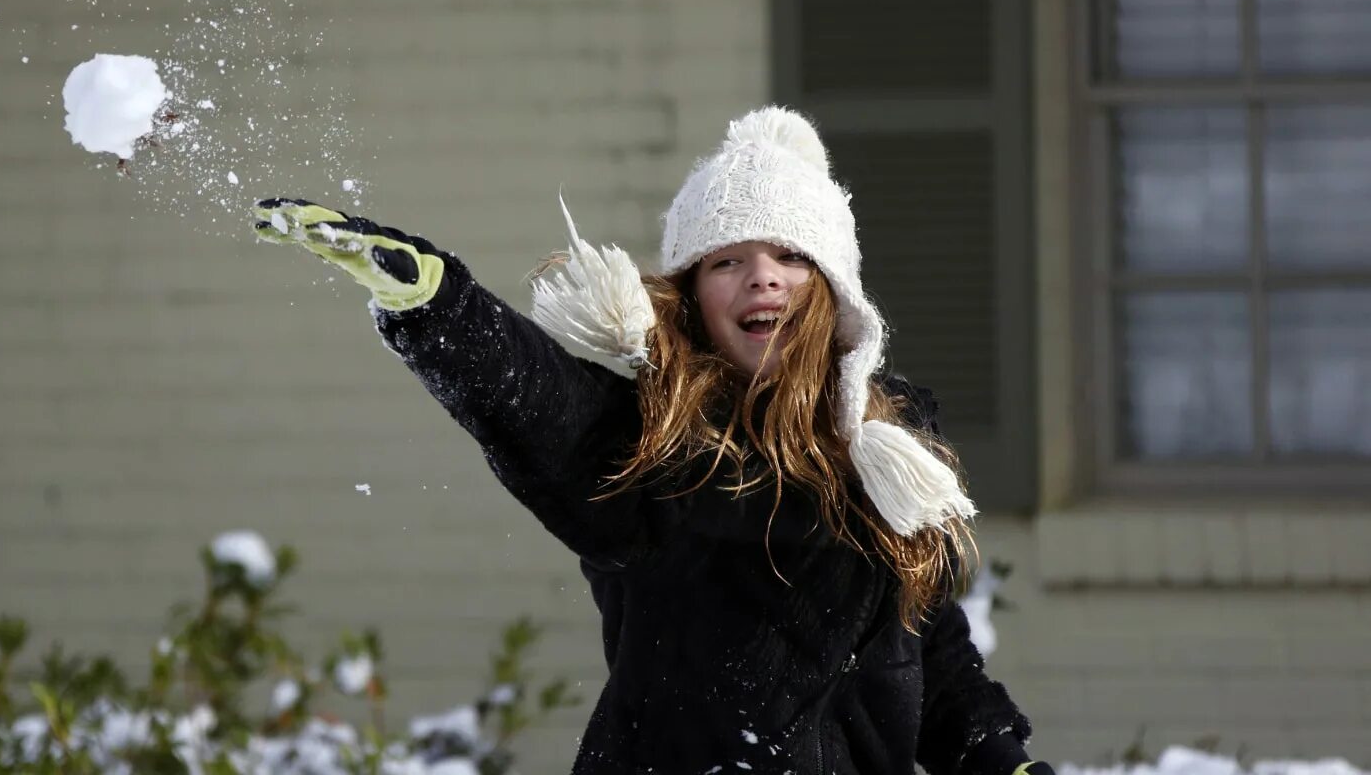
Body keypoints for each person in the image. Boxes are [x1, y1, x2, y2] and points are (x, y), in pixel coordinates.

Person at [253, 106, 1050, 775]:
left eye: (789, 256)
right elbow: (540, 400)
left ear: (834, 289)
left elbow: (932, 653)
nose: (761, 277)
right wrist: (438, 304)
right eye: (728, 260)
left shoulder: (889, 456)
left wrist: (997, 756)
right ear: (694, 297)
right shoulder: (651, 447)